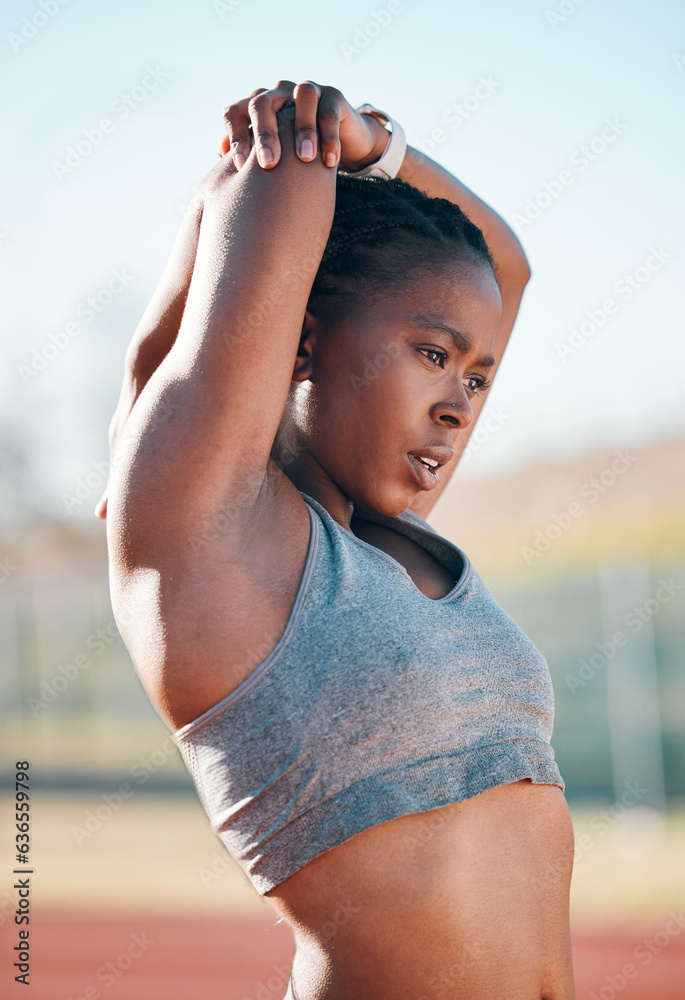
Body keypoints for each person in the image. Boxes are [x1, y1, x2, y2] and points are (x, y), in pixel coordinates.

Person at [99, 80, 576, 1000]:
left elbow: (502, 268)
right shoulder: (209, 538)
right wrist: (318, 134)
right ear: (302, 344)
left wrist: (385, 148)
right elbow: (286, 173)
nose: (458, 407)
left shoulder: (393, 541)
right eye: (432, 355)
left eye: (475, 380)